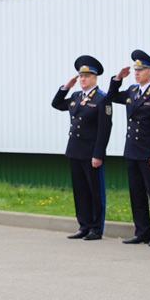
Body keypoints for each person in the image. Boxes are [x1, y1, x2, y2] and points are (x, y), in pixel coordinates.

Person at [106, 50, 150, 246]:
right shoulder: (132, 91)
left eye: (141, 70)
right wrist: (118, 78)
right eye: (135, 70)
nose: (137, 73)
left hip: (149, 152)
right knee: (136, 193)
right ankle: (141, 231)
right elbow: (111, 96)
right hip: (132, 150)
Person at [51, 55, 113, 241]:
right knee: (80, 191)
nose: (83, 79)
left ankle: (96, 228)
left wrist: (98, 154)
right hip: (75, 150)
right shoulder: (76, 96)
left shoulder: (102, 99)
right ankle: (84, 225)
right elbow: (56, 104)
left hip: (91, 152)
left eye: (87, 76)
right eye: (81, 76)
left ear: (95, 78)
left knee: (95, 191)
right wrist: (66, 87)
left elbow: (104, 129)